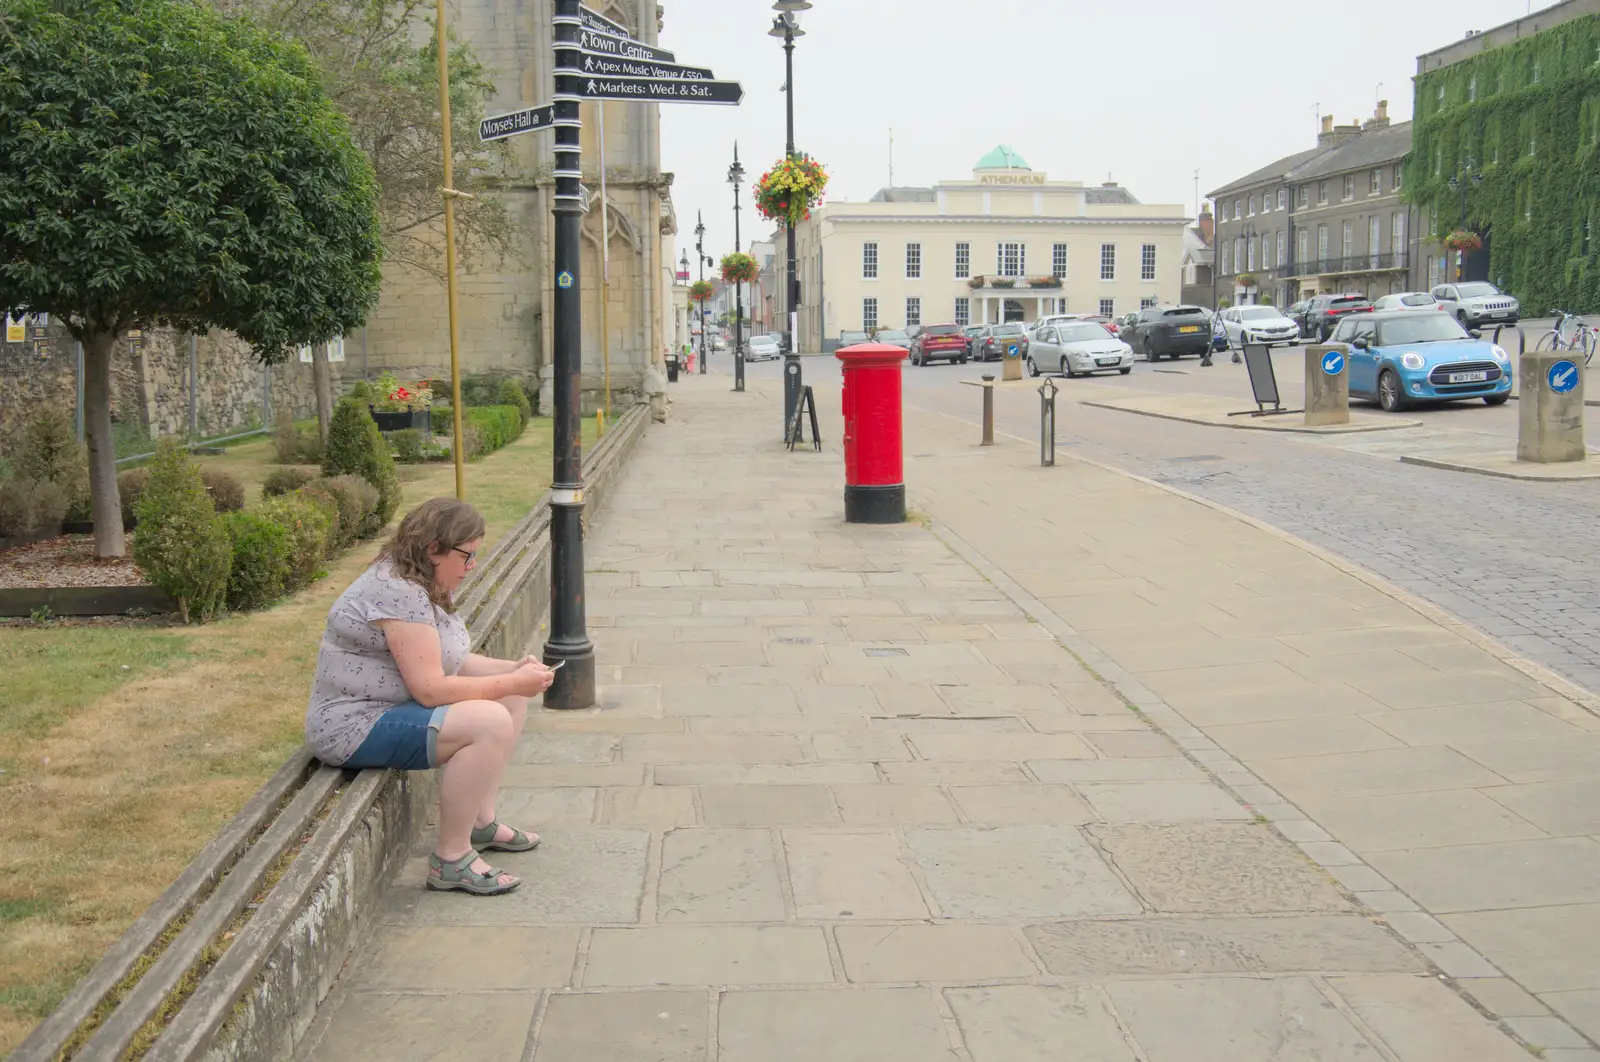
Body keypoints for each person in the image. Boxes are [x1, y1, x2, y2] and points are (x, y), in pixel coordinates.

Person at [305, 497, 555, 896]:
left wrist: (512, 672)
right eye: (467, 556)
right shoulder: (398, 592)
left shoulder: (423, 581)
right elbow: (430, 689)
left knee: (509, 699)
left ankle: (479, 823)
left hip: (389, 709)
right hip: (354, 725)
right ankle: (452, 859)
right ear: (433, 548)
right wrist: (510, 682)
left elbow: (449, 660)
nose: (472, 567)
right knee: (488, 721)